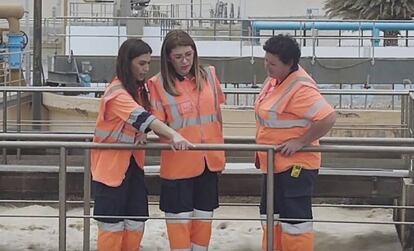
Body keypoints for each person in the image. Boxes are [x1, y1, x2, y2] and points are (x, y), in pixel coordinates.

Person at [91, 38, 192, 251]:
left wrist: (143, 133)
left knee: (136, 220)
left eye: (148, 63)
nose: (146, 69)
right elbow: (143, 117)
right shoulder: (117, 93)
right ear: (127, 63)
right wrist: (173, 135)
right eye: (141, 63)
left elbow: (142, 121)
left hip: (132, 167)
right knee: (111, 225)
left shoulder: (137, 90)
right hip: (110, 170)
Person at [255, 34, 336, 251]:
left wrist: (300, 142)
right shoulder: (275, 81)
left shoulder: (300, 89)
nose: (267, 66)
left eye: (272, 63)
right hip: (273, 164)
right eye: (266, 60)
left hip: (294, 166)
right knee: (271, 216)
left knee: (295, 223)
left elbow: (328, 117)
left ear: (289, 63)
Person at [147, 29, 226, 251]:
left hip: (209, 161)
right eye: (178, 57)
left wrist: (220, 150)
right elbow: (157, 126)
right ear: (168, 58)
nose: (185, 61)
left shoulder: (209, 74)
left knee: (203, 219)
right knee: (179, 223)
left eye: (188, 55)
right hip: (178, 165)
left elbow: (217, 114)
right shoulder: (157, 84)